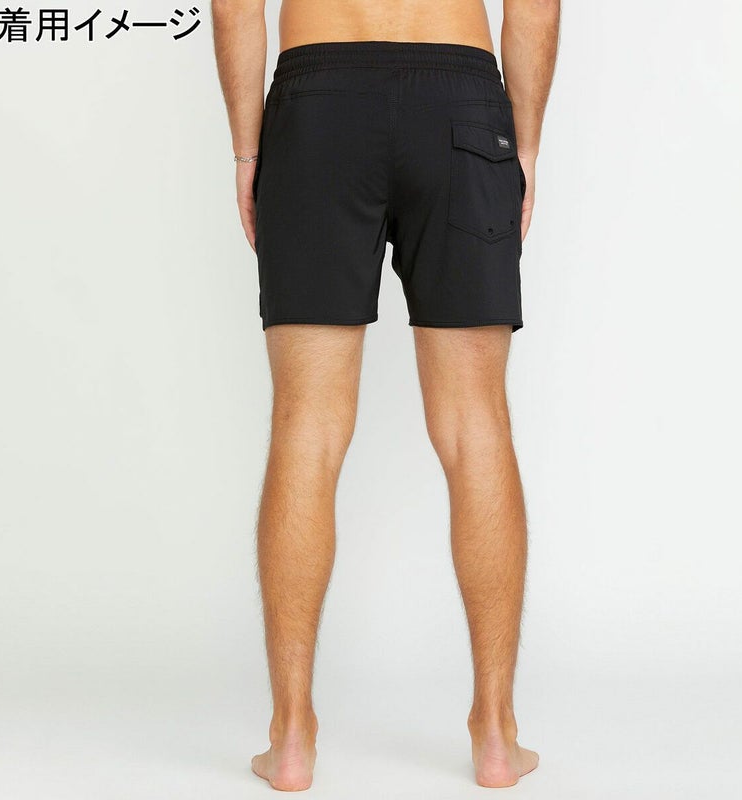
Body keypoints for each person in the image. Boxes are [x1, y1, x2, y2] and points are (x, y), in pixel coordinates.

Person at [211, 0, 560, 790]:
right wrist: (527, 145)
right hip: (460, 103)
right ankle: (496, 733)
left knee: (306, 425)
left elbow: (234, 5)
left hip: (318, 102)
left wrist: (247, 150)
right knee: (476, 422)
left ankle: (290, 736)